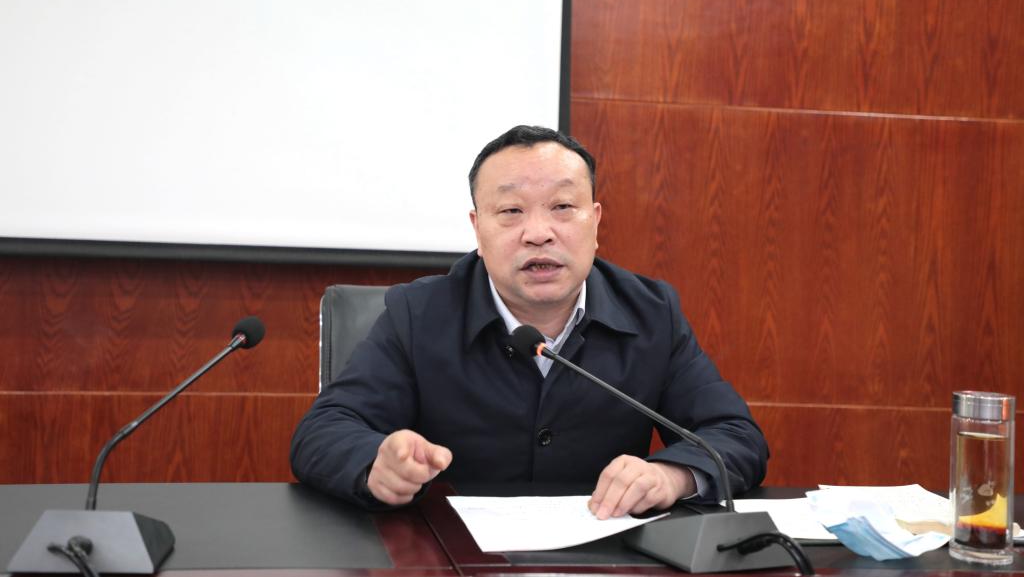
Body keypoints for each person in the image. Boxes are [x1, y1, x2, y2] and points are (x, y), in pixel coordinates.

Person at [290, 125, 768, 518]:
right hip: (452, 558)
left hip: (606, 558)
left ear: (595, 222)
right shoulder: (419, 314)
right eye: (511, 211)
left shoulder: (650, 313)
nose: (538, 233)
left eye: (562, 207)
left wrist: (672, 475)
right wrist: (377, 464)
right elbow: (323, 432)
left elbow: (735, 435)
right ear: (478, 230)